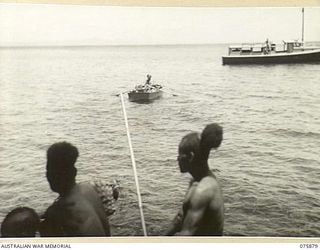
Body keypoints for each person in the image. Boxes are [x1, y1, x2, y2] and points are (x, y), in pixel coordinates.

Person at [40, 142, 119, 237]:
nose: (49, 176)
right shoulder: (89, 189)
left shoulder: (57, 213)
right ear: (74, 172)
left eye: (52, 172)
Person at [167, 123, 224, 236]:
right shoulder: (195, 182)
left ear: (191, 157)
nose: (177, 159)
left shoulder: (203, 191)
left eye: (180, 155)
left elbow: (186, 236)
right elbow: (179, 219)